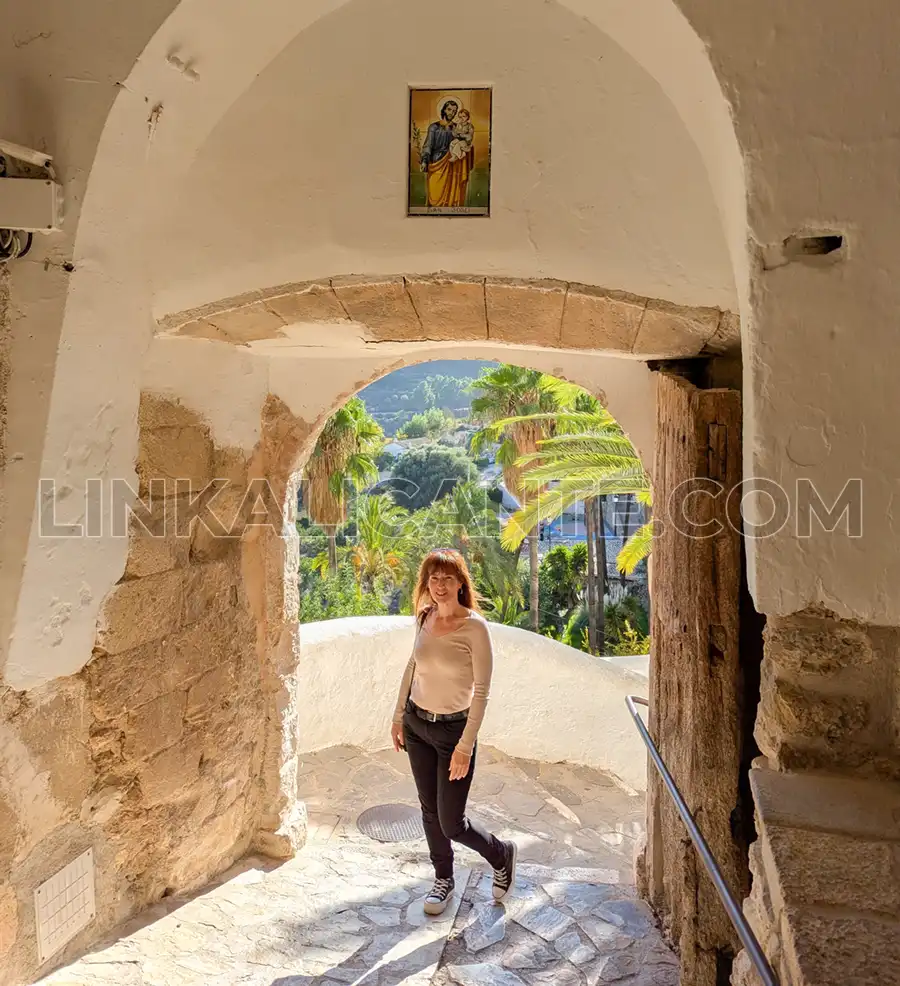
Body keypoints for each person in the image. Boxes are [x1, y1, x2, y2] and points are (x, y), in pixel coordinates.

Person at [391, 548, 517, 915]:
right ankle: (443, 878)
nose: (440, 585)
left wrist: (465, 745)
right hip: (417, 725)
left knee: (452, 822)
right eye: (433, 578)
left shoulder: (475, 627)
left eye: (447, 578)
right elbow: (412, 667)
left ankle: (500, 853)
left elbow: (482, 690)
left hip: (453, 734)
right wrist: (399, 716)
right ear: (426, 584)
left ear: (461, 582)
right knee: (429, 811)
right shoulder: (424, 616)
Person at [419, 98, 474, 209]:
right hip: (436, 162)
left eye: (454, 111)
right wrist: (425, 160)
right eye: (449, 110)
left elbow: (464, 141)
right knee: (435, 195)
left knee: (452, 194)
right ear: (443, 110)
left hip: (453, 163)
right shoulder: (434, 127)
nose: (452, 113)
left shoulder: (457, 127)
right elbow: (428, 145)